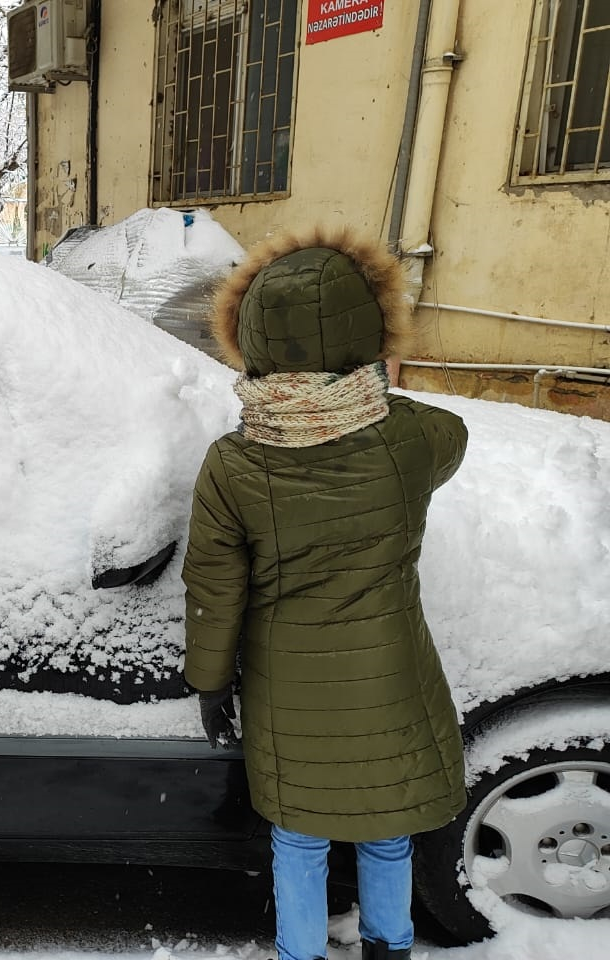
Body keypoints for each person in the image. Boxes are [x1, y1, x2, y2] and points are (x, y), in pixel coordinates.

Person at [181, 228, 468, 960]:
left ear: (249, 335)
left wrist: (210, 682)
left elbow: (213, 582)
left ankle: (300, 953)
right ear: (370, 331)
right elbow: (454, 433)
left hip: (289, 687)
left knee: (300, 837)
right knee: (387, 833)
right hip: (390, 676)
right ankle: (389, 947)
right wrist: (371, 389)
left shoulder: (234, 463)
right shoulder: (413, 439)